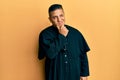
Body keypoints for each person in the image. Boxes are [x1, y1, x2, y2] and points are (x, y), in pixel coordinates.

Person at [38, 4, 90, 80]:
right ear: (50, 19)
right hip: (55, 75)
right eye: (55, 17)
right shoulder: (45, 34)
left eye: (61, 15)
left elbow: (83, 55)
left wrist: (84, 74)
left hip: (74, 74)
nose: (59, 20)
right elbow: (50, 54)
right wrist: (62, 36)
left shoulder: (76, 33)